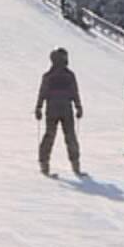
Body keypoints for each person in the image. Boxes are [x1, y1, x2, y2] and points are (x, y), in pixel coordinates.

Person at [35, 47, 84, 176]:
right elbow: (74, 92)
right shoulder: (69, 75)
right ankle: (75, 166)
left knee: (49, 136)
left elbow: (42, 93)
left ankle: (44, 164)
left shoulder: (48, 76)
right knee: (70, 137)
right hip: (66, 109)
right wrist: (78, 106)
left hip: (52, 109)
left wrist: (39, 107)